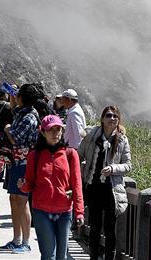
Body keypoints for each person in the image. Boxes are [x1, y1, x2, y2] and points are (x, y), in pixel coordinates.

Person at [18, 115, 84, 260]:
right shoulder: (34, 156)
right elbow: (30, 183)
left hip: (65, 211)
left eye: (58, 129)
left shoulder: (70, 154)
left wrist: (79, 212)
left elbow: (77, 184)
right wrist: (23, 186)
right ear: (43, 132)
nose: (55, 134)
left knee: (61, 257)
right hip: (41, 211)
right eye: (51, 130)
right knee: (48, 256)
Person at [78, 106, 132, 260]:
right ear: (102, 118)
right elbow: (78, 155)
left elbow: (128, 165)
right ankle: (93, 257)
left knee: (110, 229)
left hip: (112, 190)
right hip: (93, 187)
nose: (112, 118)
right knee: (94, 226)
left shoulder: (122, 140)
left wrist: (113, 168)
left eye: (115, 116)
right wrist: (80, 173)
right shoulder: (91, 136)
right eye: (108, 115)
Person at [2, 83, 41, 252]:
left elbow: (15, 139)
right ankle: (16, 239)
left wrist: (8, 129)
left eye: (18, 95)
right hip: (16, 161)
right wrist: (12, 95)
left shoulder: (29, 117)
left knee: (22, 201)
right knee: (14, 199)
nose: (15, 97)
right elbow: (14, 107)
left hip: (24, 163)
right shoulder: (22, 111)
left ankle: (25, 242)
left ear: (23, 99)